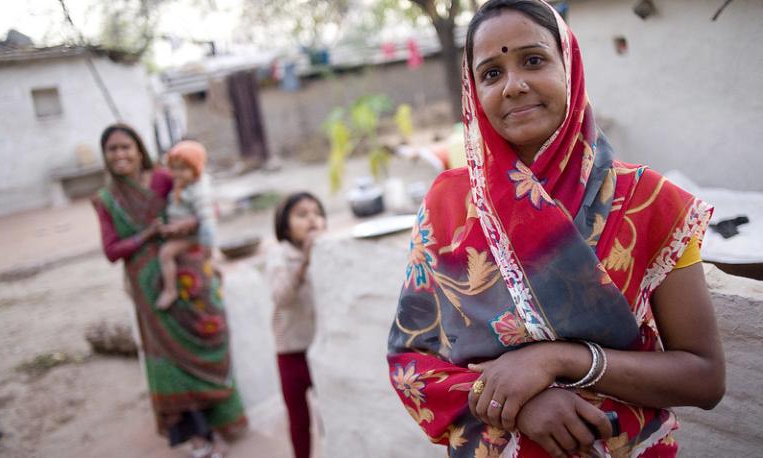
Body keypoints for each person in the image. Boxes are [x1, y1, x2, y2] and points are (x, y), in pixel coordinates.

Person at [386, 1, 725, 457]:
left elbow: (704, 378)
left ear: (570, 64)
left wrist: (559, 359)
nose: (514, 85)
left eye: (533, 59)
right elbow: (411, 361)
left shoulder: (650, 201)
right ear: (474, 93)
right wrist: (519, 405)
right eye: (491, 73)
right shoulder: (448, 204)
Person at [92, 124, 246, 458]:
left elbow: (202, 205)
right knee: (171, 365)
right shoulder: (107, 200)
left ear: (139, 150)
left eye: (126, 147)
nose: (120, 155)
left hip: (190, 278)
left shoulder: (165, 178)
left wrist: (203, 242)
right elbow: (111, 250)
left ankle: (219, 424)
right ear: (105, 156)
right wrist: (147, 236)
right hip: (149, 291)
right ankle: (198, 434)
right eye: (112, 149)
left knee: (209, 341)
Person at [265, 192, 326, 458]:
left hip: (321, 347)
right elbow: (282, 297)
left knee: (330, 411)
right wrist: (304, 263)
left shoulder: (327, 251)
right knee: (299, 420)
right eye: (302, 214)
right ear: (285, 224)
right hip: (291, 351)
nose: (312, 219)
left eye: (316, 213)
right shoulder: (279, 255)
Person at [156, 141, 217, 309]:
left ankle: (170, 290)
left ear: (196, 169)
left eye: (182, 169)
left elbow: (207, 220)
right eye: (174, 168)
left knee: (166, 253)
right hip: (181, 230)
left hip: (193, 236)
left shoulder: (199, 191)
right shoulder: (183, 184)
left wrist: (207, 245)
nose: (176, 174)